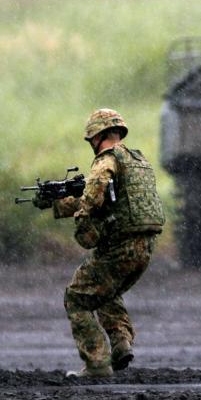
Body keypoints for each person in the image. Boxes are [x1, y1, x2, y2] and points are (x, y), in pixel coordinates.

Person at [35, 108, 165, 378]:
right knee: (105, 290)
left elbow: (93, 197)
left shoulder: (106, 160)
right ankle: (121, 342)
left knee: (76, 298)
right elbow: (111, 200)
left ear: (97, 136)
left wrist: (83, 221)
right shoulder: (138, 160)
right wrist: (59, 204)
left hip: (119, 248)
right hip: (145, 247)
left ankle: (96, 363)